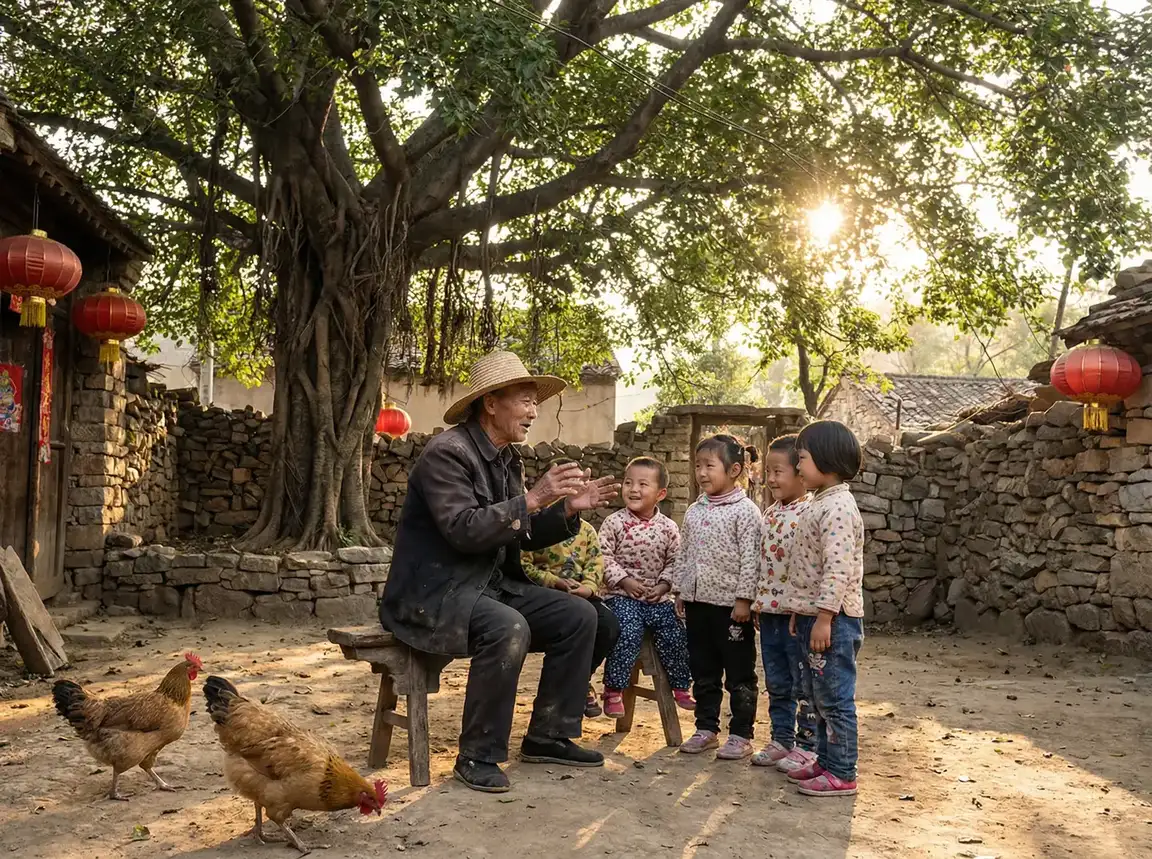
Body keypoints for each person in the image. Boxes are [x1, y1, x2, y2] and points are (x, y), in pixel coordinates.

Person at [379, 351, 620, 793]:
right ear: (491, 402)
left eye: (535, 402)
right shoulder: (446, 453)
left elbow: (518, 535)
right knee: (508, 627)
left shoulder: (508, 459)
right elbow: (462, 530)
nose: (533, 412)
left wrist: (565, 509)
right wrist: (532, 500)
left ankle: (548, 734)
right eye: (525, 400)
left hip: (488, 585)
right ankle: (478, 755)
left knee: (587, 617)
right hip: (436, 593)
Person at [785, 420, 865, 798]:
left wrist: (823, 618)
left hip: (834, 620)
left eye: (801, 458)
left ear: (827, 460)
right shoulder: (822, 503)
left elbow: (838, 569)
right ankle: (825, 759)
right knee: (816, 695)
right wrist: (800, 613)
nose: (798, 467)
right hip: (815, 618)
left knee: (834, 696)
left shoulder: (837, 508)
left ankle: (843, 772)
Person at [672, 434, 763, 760]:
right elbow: (684, 553)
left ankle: (741, 735)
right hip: (697, 605)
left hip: (730, 610)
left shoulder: (746, 513)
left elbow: (752, 560)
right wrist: (680, 589)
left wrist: (743, 600)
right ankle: (706, 729)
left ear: (734, 469)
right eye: (698, 466)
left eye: (710, 465)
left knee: (739, 674)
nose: (702, 473)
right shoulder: (695, 511)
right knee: (703, 670)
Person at [598, 457, 693, 717]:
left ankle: (681, 685)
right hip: (621, 597)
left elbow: (676, 560)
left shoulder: (669, 528)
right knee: (626, 630)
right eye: (628, 483)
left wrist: (664, 586)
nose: (633, 489)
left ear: (660, 494)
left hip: (656, 599)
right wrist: (624, 581)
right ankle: (613, 690)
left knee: (675, 629)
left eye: (642, 484)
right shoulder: (614, 523)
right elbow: (603, 557)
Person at [749, 434, 818, 774]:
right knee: (776, 680)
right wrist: (759, 603)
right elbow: (764, 562)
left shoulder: (810, 512)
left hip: (796, 615)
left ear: (801, 472)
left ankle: (808, 745)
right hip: (770, 613)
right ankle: (781, 739)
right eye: (767, 471)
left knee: (802, 681)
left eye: (778, 472)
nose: (771, 479)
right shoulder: (771, 513)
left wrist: (800, 607)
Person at [520, 502, 620, 719]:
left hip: (579, 595)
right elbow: (523, 565)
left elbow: (595, 564)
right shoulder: (531, 529)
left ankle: (580, 679)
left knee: (608, 625)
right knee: (572, 621)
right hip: (543, 596)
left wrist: (588, 588)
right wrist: (553, 581)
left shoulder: (586, 530)